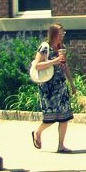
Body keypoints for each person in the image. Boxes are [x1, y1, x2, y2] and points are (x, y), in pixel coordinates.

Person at [31, 23, 74, 153]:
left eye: (63, 33)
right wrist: (54, 61)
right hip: (48, 88)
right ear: (53, 33)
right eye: (59, 33)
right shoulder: (45, 47)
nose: (62, 36)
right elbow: (37, 65)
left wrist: (72, 84)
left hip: (61, 86)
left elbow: (65, 66)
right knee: (50, 118)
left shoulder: (62, 48)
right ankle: (37, 132)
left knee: (65, 117)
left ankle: (61, 145)